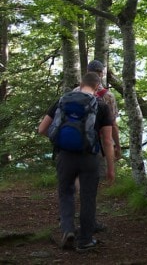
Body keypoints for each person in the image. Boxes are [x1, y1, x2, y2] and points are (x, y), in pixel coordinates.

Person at [38, 72, 115, 252]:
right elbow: (107, 141)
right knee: (88, 197)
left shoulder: (63, 101)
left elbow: (42, 129)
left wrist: (60, 141)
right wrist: (111, 168)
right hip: (89, 158)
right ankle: (85, 240)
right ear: (97, 87)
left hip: (64, 156)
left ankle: (67, 230)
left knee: (66, 193)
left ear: (81, 84)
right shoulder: (102, 106)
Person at [74, 60, 121, 232]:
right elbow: (113, 125)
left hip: (74, 143)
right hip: (98, 144)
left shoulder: (73, 92)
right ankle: (89, 220)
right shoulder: (107, 96)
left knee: (77, 179)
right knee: (92, 183)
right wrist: (117, 145)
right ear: (101, 73)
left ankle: (75, 213)